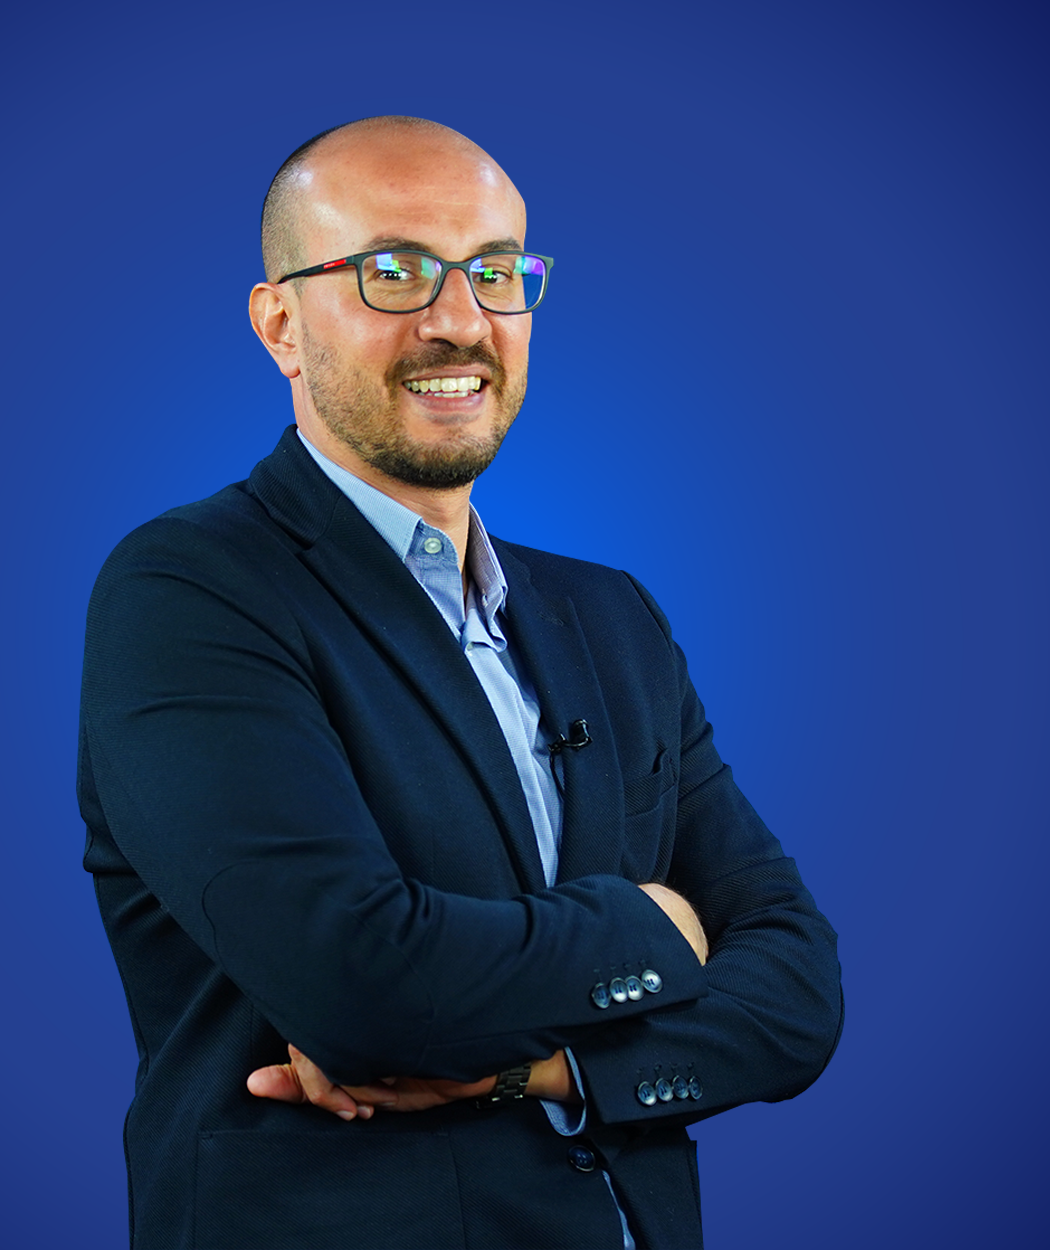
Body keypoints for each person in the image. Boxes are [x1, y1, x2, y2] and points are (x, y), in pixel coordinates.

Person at [78, 115, 843, 1250]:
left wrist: (534, 1071)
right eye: (392, 271)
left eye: (495, 272)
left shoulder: (611, 616)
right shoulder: (190, 589)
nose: (458, 321)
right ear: (280, 323)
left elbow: (797, 989)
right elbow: (358, 985)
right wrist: (660, 923)